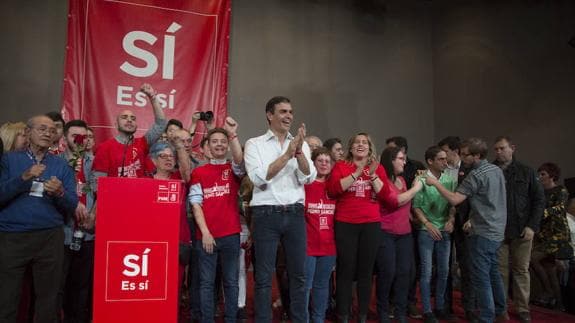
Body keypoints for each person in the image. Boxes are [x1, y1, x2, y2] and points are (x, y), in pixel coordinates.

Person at [244, 96, 316, 322]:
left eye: (291, 112)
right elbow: (258, 178)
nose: (289, 116)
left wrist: (298, 152)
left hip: (294, 214)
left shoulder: (300, 143)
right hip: (265, 214)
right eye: (283, 111)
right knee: (264, 277)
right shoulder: (254, 144)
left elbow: (309, 176)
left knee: (299, 276)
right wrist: (287, 155)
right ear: (269, 115)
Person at [0, 115, 78, 323]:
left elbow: (72, 206)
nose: (47, 133)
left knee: (48, 299)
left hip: (49, 237)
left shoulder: (62, 167)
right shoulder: (9, 159)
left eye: (52, 131)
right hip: (12, 236)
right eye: (42, 129)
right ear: (28, 132)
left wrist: (60, 192)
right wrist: (23, 178)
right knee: (6, 298)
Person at [425, 138, 507, 323]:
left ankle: (487, 317)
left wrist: (435, 183)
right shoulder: (496, 170)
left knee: (481, 277)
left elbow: (454, 199)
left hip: (483, 232)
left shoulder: (476, 175)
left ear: (477, 155)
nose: (460, 157)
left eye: (465, 154)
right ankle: (501, 310)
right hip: (497, 231)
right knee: (494, 272)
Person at [326, 133, 397, 322]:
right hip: (345, 223)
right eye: (357, 142)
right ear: (350, 148)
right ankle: (343, 314)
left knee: (366, 271)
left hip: (370, 224)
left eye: (364, 142)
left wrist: (372, 174)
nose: (360, 145)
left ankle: (363, 315)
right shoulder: (341, 166)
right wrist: (358, 172)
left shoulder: (378, 168)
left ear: (370, 148)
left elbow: (385, 195)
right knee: (345, 270)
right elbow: (333, 190)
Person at [189, 118, 244, 323]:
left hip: (231, 235)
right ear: (208, 147)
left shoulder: (233, 169)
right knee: (206, 283)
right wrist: (205, 233)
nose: (219, 144)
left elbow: (241, 162)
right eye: (215, 141)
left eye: (223, 141)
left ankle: (231, 318)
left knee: (231, 282)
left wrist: (233, 134)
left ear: (227, 145)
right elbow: (196, 204)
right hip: (206, 237)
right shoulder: (198, 172)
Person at [493, 136, 544, 323]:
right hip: (498, 229)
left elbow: (539, 201)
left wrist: (532, 226)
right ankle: (502, 307)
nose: (498, 152)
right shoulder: (492, 170)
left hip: (523, 229)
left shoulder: (526, 171)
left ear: (512, 148)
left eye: (502, 148)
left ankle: (523, 308)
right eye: (496, 149)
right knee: (500, 270)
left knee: (521, 270)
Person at [376, 146, 422, 323]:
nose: (404, 162)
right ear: (391, 160)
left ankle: (401, 311)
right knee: (388, 272)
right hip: (386, 232)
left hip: (405, 234)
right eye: (401, 159)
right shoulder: (382, 181)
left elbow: (406, 205)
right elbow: (395, 201)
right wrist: (416, 188)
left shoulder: (402, 180)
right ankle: (383, 310)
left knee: (405, 273)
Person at [412, 146, 457, 323]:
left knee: (445, 270)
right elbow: (416, 206)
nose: (445, 162)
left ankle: (439, 307)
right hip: (427, 230)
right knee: (426, 272)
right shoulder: (420, 179)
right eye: (441, 159)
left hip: (444, 229)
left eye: (445, 159)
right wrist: (427, 223)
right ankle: (427, 310)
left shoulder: (449, 179)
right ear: (430, 161)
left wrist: (451, 220)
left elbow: (453, 203)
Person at [57, 119, 95, 323]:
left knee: (82, 287)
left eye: (85, 136)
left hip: (88, 233)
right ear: (65, 138)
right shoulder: (56, 162)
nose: (80, 140)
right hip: (62, 233)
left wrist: (93, 216)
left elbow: (100, 193)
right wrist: (72, 205)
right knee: (58, 286)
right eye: (75, 136)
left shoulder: (95, 162)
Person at [438, 136, 477, 321]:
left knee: (467, 266)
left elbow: (474, 198)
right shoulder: (441, 170)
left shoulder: (469, 169)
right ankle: (445, 307)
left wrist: (470, 219)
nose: (443, 156)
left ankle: (469, 308)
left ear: (455, 151)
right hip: (443, 222)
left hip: (464, 224)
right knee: (444, 267)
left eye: (445, 151)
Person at [92, 83, 166, 179]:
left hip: (141, 192)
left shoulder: (142, 143)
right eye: (124, 117)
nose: (129, 120)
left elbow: (161, 124)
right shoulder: (104, 148)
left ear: (136, 125)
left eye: (133, 118)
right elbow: (99, 182)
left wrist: (152, 97)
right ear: (116, 125)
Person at [530, 162, 571, 311]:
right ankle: (559, 305)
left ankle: (547, 292)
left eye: (543, 174)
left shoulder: (561, 190)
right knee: (550, 269)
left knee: (532, 258)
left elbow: (560, 208)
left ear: (552, 176)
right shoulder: (540, 192)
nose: (540, 177)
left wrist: (542, 213)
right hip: (544, 234)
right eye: (539, 174)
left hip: (557, 234)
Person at [303, 147, 337, 323]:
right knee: (305, 287)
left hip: (328, 246)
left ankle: (319, 319)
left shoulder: (335, 188)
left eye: (328, 161)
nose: (324, 164)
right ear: (313, 163)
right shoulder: (305, 185)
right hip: (307, 246)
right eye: (320, 160)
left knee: (322, 286)